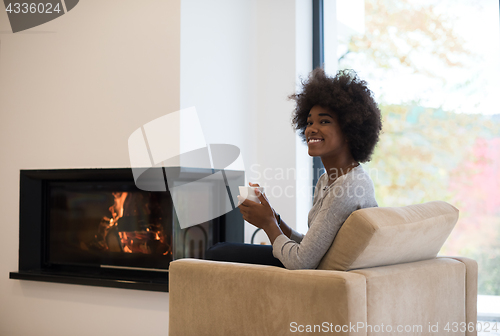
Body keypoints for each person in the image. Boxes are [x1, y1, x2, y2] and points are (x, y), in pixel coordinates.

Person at [205, 68, 382, 269]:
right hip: (316, 268)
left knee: (218, 253)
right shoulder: (329, 179)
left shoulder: (348, 187)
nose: (311, 129)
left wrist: (268, 224)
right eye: (309, 122)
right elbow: (312, 246)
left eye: (324, 121)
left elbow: (301, 262)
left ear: (350, 130)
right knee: (220, 251)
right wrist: (274, 218)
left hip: (316, 278)